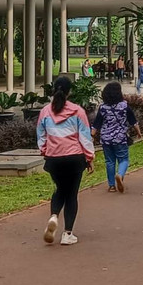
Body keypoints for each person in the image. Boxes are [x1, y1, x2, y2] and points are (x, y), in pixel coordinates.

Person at [36, 76, 94, 245]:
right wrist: (89, 157)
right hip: (74, 158)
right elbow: (85, 137)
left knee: (60, 189)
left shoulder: (45, 111)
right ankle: (67, 234)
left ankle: (54, 215)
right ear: (70, 92)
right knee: (71, 194)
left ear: (54, 90)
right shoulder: (77, 111)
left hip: (54, 159)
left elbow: (41, 136)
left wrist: (45, 151)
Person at [91, 81, 142, 193]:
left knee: (109, 162)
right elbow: (133, 121)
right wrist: (138, 132)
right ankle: (120, 175)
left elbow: (96, 124)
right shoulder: (124, 106)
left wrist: (92, 136)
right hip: (120, 138)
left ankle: (111, 186)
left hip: (106, 139)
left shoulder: (103, 108)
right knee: (123, 159)